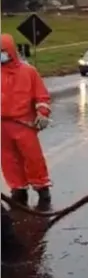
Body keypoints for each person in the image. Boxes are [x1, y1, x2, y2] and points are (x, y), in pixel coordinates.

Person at [1, 33, 53, 209]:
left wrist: (42, 113)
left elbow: (41, 95)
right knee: (8, 160)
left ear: (10, 51)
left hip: (24, 123)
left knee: (33, 157)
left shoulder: (28, 72)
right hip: (2, 125)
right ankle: (18, 190)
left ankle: (42, 187)